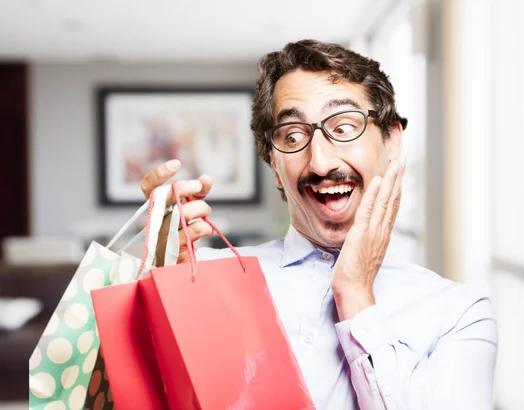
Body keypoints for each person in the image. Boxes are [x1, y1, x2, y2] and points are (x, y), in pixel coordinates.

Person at [140, 39, 498, 410]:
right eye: (293, 136)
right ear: (275, 167)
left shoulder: (459, 314)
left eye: (343, 128)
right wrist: (160, 291)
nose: (321, 162)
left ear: (391, 141)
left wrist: (356, 294)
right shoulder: (207, 278)